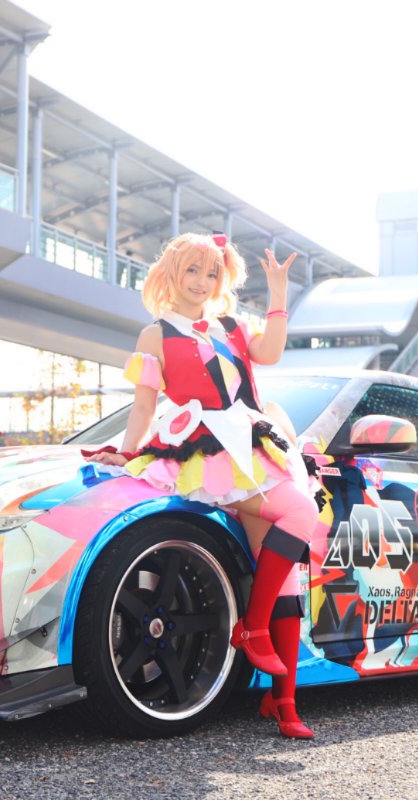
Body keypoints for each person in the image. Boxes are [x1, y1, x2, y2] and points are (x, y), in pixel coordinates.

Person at [86, 232, 318, 739]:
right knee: (300, 513)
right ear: (172, 273)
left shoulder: (231, 326)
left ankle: (284, 703)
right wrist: (127, 452)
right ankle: (251, 628)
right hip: (205, 455)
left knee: (283, 578)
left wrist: (278, 294)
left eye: (212, 273)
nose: (202, 282)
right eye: (192, 270)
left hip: (252, 449)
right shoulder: (156, 335)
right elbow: (144, 406)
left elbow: (271, 352)